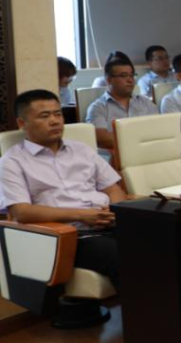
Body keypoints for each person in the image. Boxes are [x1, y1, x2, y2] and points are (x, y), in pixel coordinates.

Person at [0, 90, 127, 291]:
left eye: (58, 114)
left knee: (161, 240)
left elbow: (114, 189)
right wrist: (81, 215)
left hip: (109, 224)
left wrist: (114, 210)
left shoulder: (81, 150)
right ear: (22, 123)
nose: (55, 121)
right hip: (68, 236)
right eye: (44, 116)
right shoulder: (12, 162)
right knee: (125, 256)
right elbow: (21, 212)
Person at [85, 57, 159, 151]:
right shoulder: (98, 107)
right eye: (124, 76)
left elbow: (159, 130)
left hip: (149, 151)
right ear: (109, 80)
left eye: (132, 75)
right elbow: (102, 139)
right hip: (116, 155)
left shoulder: (146, 102)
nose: (130, 80)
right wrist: (141, 138)